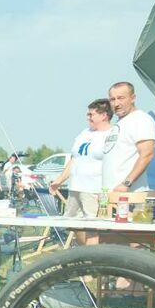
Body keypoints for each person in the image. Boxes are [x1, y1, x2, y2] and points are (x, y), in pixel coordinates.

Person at [50, 99, 116, 244]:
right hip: (76, 186)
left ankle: (94, 260)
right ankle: (84, 252)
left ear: (104, 115)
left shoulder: (112, 134)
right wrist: (59, 180)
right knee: (73, 223)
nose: (88, 118)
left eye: (91, 114)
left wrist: (107, 192)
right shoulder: (84, 133)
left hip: (95, 188)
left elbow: (114, 164)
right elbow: (74, 159)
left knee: (92, 226)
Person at [106, 81, 155, 193]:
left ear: (133, 98)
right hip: (110, 193)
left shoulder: (141, 119)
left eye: (121, 98)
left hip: (129, 195)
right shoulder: (119, 123)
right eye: (112, 99)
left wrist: (126, 183)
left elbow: (147, 155)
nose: (116, 103)